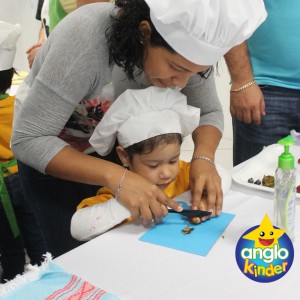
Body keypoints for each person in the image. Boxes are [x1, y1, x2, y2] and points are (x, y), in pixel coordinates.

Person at [11, 0, 267, 257]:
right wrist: (118, 178)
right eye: (176, 68)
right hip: (53, 157)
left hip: (120, 154)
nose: (181, 83)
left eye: (194, 73)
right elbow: (29, 139)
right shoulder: (87, 35)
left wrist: (204, 157)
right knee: (78, 257)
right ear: (144, 32)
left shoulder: (187, 55)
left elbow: (208, 111)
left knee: (126, 253)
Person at [71, 87, 231, 241]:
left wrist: (201, 198)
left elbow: (222, 174)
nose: (167, 173)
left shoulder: (184, 173)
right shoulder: (119, 190)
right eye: (153, 165)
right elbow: (78, 228)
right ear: (124, 156)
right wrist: (129, 204)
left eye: (173, 160)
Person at [226, 0, 300, 166]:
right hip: (266, 90)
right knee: (255, 182)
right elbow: (231, 10)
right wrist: (242, 80)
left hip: (265, 92)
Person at [0, 21, 47, 282]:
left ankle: (13, 285)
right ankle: (47, 276)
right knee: (37, 234)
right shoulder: (18, 103)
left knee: (8, 243)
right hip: (24, 177)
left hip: (0, 190)